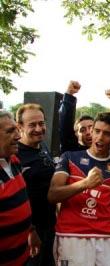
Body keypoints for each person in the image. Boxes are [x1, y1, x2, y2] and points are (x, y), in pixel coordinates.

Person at [48, 112, 110, 266]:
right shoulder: (69, 157)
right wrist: (84, 183)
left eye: (106, 133)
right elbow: (53, 195)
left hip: (106, 238)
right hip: (71, 236)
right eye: (97, 131)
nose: (100, 137)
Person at [15, 103, 56, 266]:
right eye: (32, 125)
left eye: (41, 123)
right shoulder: (15, 155)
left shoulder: (43, 146)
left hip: (50, 225)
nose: (39, 129)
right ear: (20, 127)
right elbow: (17, 198)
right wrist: (30, 231)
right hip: (29, 231)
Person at [0, 110, 41, 266]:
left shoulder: (14, 160)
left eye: (17, 129)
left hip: (23, 258)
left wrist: (30, 230)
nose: (18, 136)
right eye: (10, 131)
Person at [59, 81, 94, 153]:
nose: (88, 132)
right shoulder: (73, 152)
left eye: (91, 128)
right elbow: (65, 124)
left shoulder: (107, 152)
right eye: (82, 130)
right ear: (76, 135)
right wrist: (69, 94)